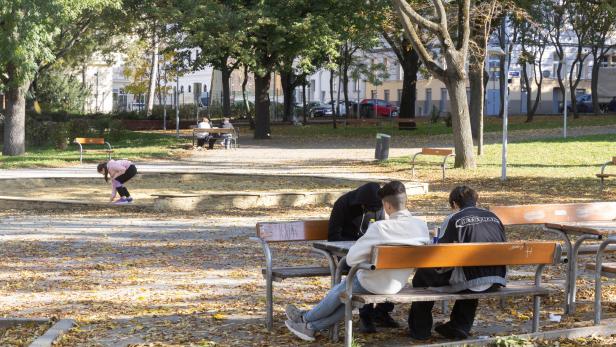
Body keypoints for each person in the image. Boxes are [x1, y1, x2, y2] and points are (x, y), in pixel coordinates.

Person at [284, 181, 429, 342]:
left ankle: (305, 319)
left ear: (387, 206)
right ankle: (310, 327)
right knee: (348, 298)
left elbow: (352, 258)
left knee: (344, 289)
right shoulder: (421, 226)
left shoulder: (381, 228)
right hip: (397, 284)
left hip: (372, 282)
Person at [407, 186, 507, 341]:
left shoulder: (454, 218)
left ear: (454, 204)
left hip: (472, 279)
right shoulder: (494, 217)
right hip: (496, 278)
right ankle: (460, 325)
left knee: (422, 275)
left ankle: (420, 330)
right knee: (473, 274)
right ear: (476, 200)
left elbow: (439, 254)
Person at [327, 182, 394, 332]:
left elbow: (381, 231)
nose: (373, 210)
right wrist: (357, 246)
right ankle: (366, 317)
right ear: (362, 202)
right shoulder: (343, 204)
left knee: (388, 268)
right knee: (366, 271)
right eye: (369, 208)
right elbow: (333, 236)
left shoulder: (377, 207)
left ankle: (382, 311)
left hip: (368, 253)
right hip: (346, 255)